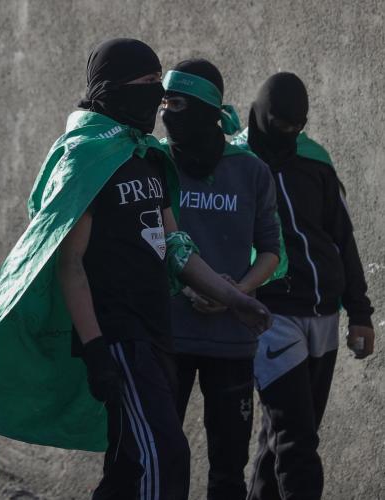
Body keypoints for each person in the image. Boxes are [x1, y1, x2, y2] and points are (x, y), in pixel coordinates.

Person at [0, 39, 271, 500]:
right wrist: (95, 348)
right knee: (164, 456)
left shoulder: (146, 156)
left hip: (157, 332)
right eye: (148, 82)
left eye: (160, 82)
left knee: (128, 466)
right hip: (118, 335)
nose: (158, 94)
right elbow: (69, 263)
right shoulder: (85, 157)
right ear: (114, 87)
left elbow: (176, 247)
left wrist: (236, 299)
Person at [233, 72, 376, 500]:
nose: (290, 134)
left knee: (283, 436)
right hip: (271, 317)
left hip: (324, 317)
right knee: (297, 439)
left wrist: (360, 314)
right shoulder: (235, 163)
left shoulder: (316, 161)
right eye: (282, 125)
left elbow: (342, 239)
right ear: (263, 116)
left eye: (298, 126)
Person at [159, 59, 281, 500]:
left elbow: (271, 251)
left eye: (177, 104)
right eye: (163, 103)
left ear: (206, 108)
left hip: (231, 340)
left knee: (228, 470)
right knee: (159, 460)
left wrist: (234, 293)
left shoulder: (250, 171)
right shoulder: (153, 161)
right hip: (166, 337)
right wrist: (194, 284)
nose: (166, 114)